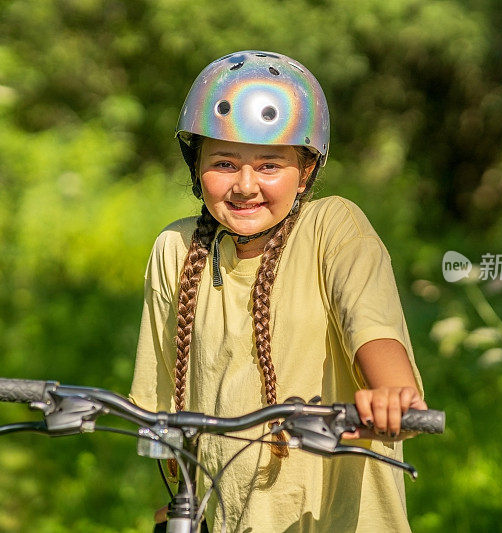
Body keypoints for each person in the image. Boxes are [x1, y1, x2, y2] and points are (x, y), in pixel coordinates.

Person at [130, 50, 426, 532]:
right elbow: (168, 414)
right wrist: (184, 498)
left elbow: (374, 329)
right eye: (224, 162)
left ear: (306, 171)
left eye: (270, 165)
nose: (245, 186)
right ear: (196, 164)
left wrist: (390, 394)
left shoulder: (333, 228)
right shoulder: (176, 249)